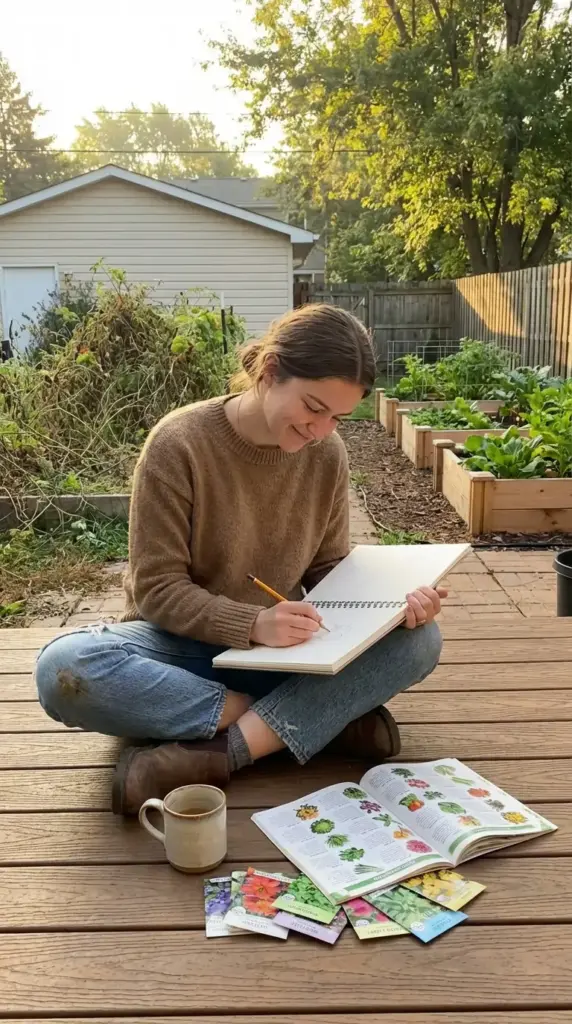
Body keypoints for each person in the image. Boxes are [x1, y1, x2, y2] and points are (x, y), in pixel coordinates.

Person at [35, 304, 445, 817]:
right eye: (313, 407)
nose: (321, 430)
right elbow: (156, 588)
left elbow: (327, 571)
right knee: (64, 669)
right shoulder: (179, 442)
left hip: (279, 655)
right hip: (177, 652)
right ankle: (311, 723)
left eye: (337, 417)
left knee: (420, 641)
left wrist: (393, 605)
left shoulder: (327, 453)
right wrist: (251, 622)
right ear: (270, 371)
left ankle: (218, 753)